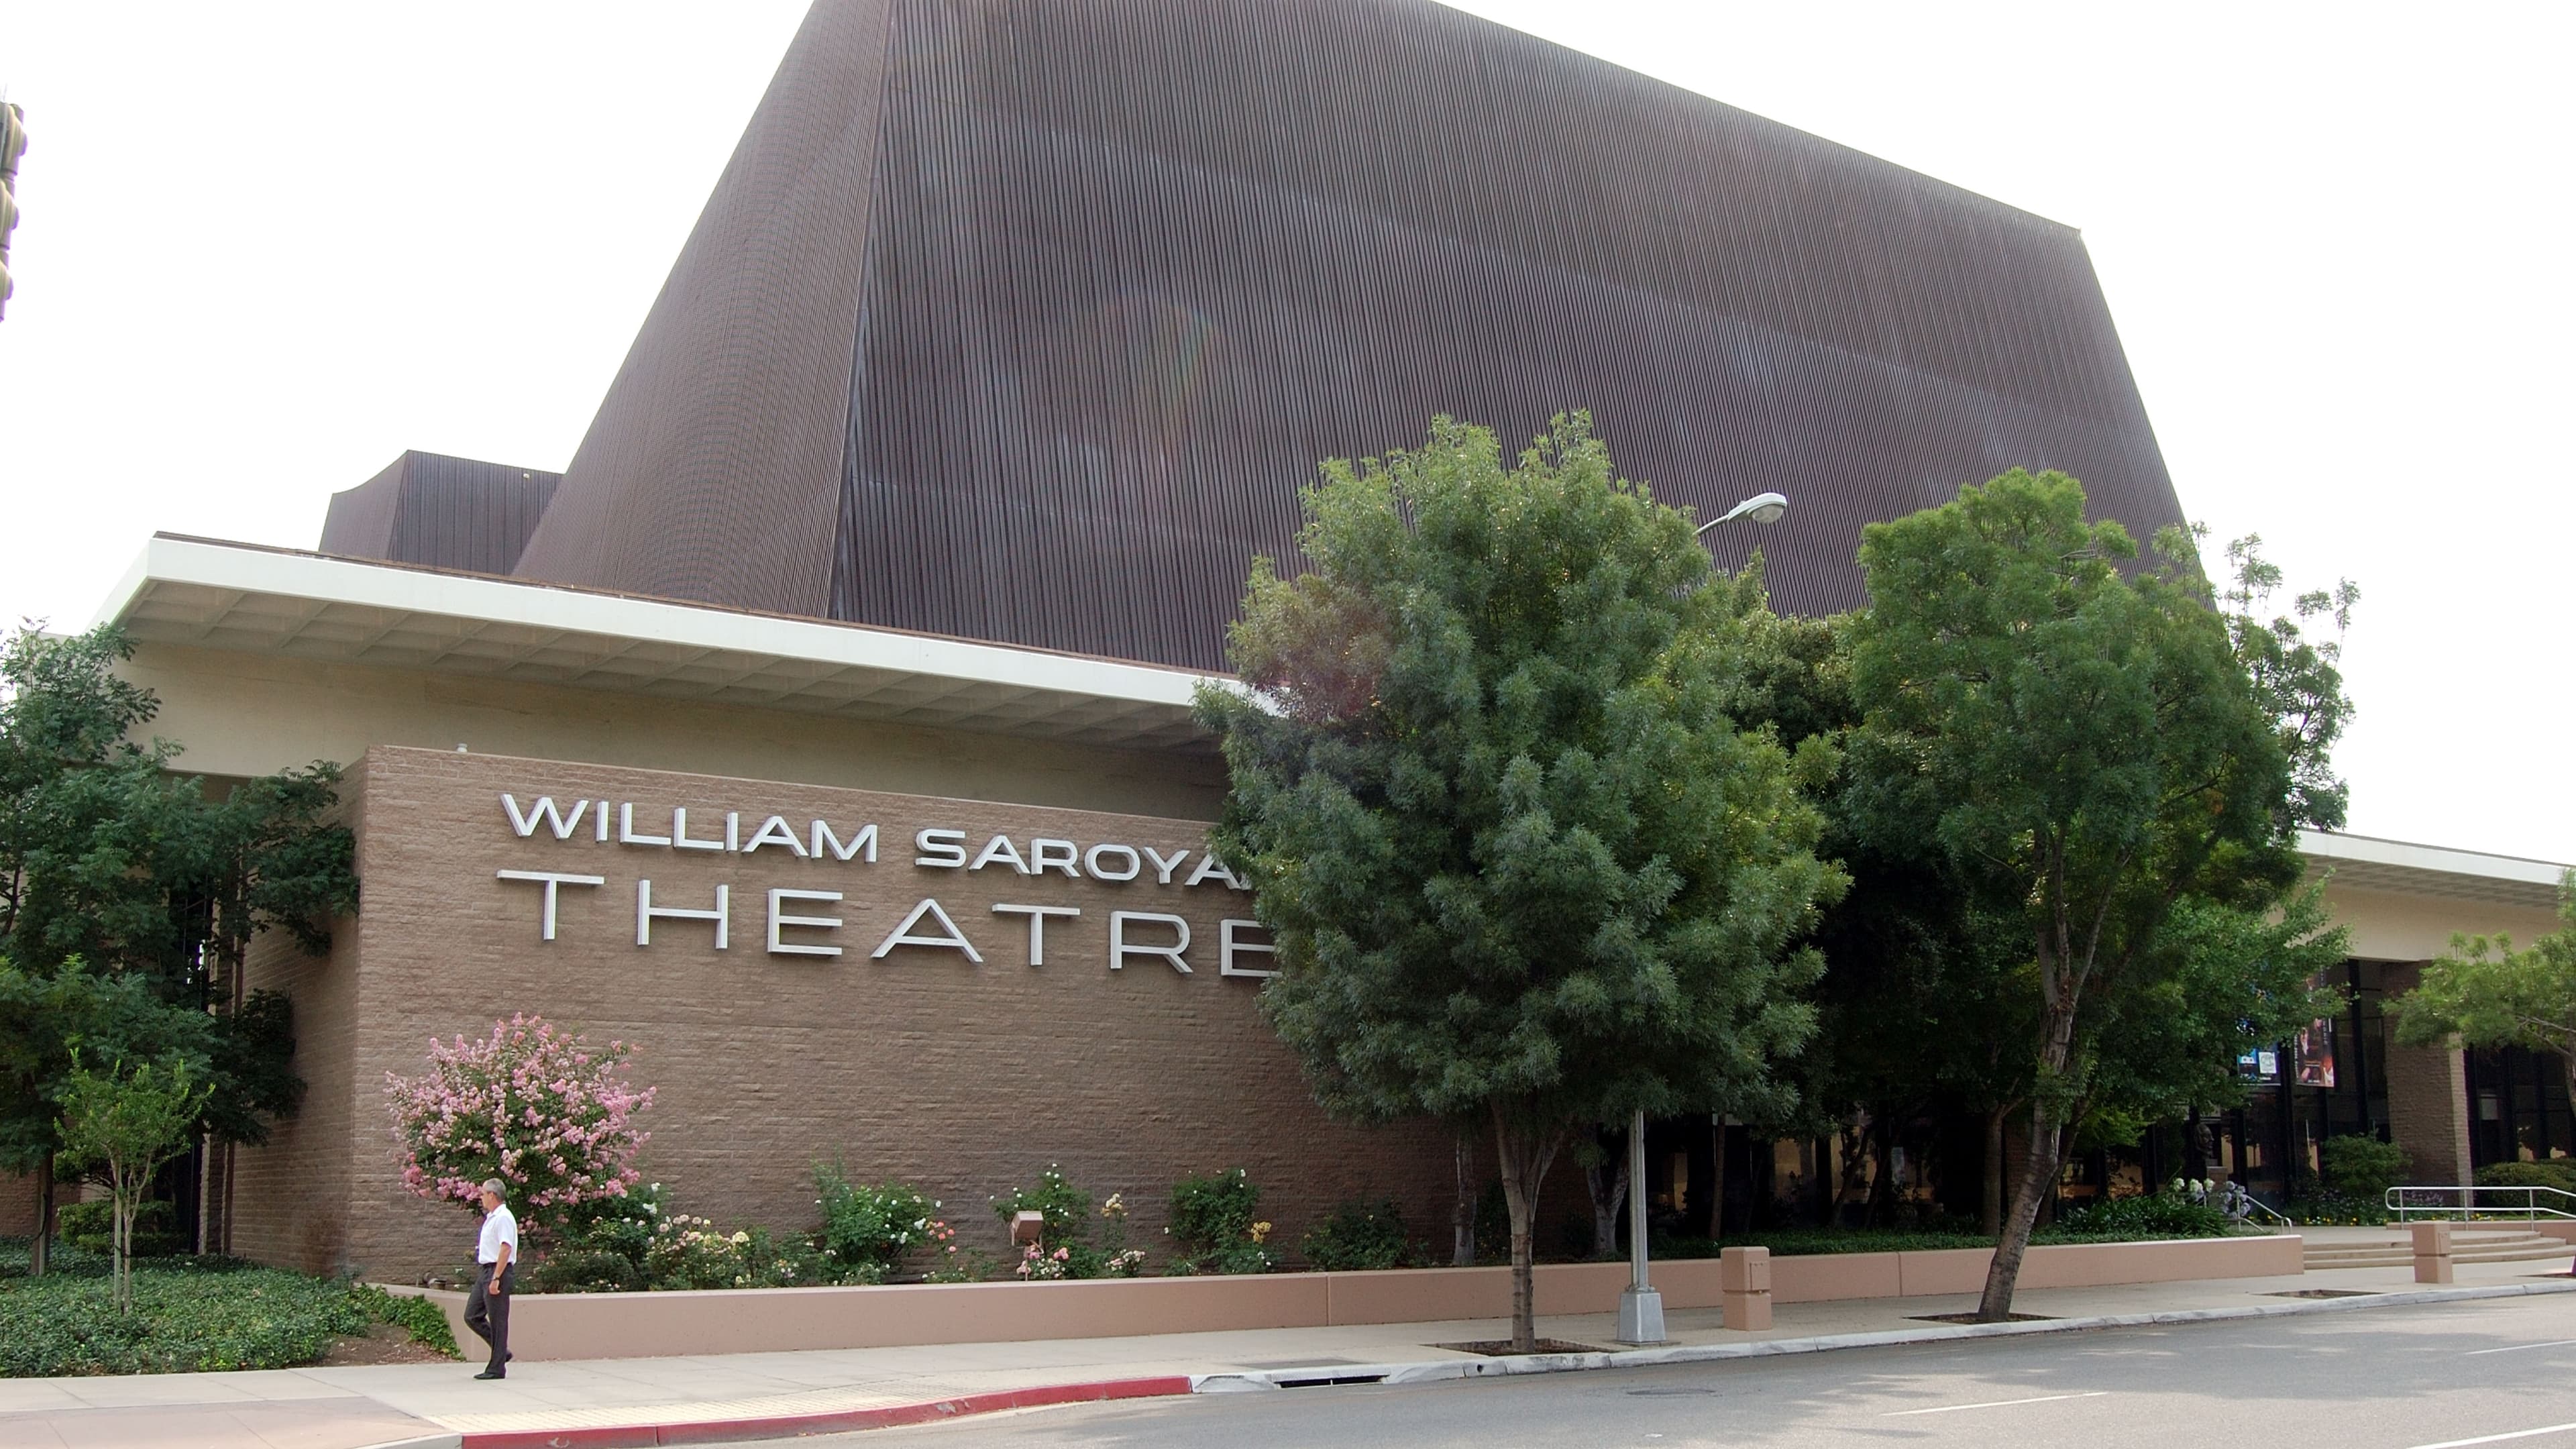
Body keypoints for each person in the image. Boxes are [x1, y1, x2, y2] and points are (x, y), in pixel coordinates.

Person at [464, 1177, 517, 1379]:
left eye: (483, 1194)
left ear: (492, 1195)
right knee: (472, 1315)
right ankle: (502, 1353)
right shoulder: (492, 1217)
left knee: (498, 1321)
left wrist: (496, 1278)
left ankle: (497, 1368)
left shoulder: (503, 1217)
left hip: (497, 1270)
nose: (481, 1198)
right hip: (486, 1270)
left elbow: (506, 1248)